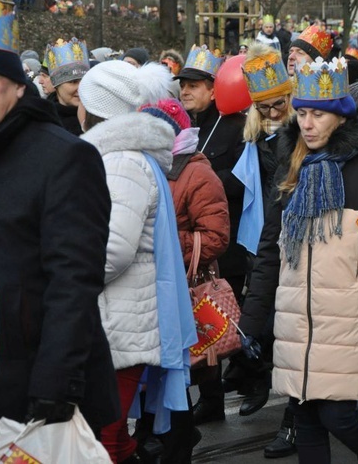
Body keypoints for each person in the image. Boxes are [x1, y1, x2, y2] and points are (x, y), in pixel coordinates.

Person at [240, 56, 358, 463]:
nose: (307, 123)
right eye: (301, 113)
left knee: (338, 415)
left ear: (339, 118)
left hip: (350, 320)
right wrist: (251, 320)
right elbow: (270, 250)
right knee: (305, 420)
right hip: (298, 323)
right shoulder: (293, 170)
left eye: (318, 114)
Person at [0, 0, 120, 440]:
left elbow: (74, 280)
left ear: (18, 86)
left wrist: (53, 385)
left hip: (32, 380)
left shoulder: (65, 157)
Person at [78, 60, 196, 462]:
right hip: (120, 321)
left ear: (92, 107)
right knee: (107, 437)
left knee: (105, 441)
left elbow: (114, 249)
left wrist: (63, 276)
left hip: (119, 325)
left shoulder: (120, 162)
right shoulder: (122, 155)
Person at [132, 98, 229, 462]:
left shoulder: (196, 172)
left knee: (172, 376)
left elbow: (217, 236)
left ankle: (176, 443)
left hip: (181, 293)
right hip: (150, 291)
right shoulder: (146, 166)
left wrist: (164, 244)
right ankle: (154, 439)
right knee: (150, 377)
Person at [174, 45, 250, 425]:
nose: (186, 91)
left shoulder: (236, 126)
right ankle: (211, 396)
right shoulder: (184, 127)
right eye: (182, 85)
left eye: (194, 85)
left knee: (222, 317)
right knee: (199, 323)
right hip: (191, 244)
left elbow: (242, 181)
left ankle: (251, 376)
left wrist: (201, 185)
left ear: (214, 87)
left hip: (227, 240)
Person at [231, 44, 298, 458]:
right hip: (265, 245)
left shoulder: (301, 140)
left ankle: (294, 422)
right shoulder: (255, 139)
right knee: (268, 325)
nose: (273, 112)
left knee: (294, 335)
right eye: (265, 107)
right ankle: (261, 381)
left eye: (279, 105)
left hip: (298, 248)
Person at [44, 37, 90, 136]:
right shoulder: (44, 120)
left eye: (85, 81)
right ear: (56, 85)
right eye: (73, 82)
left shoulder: (97, 117)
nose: (81, 88)